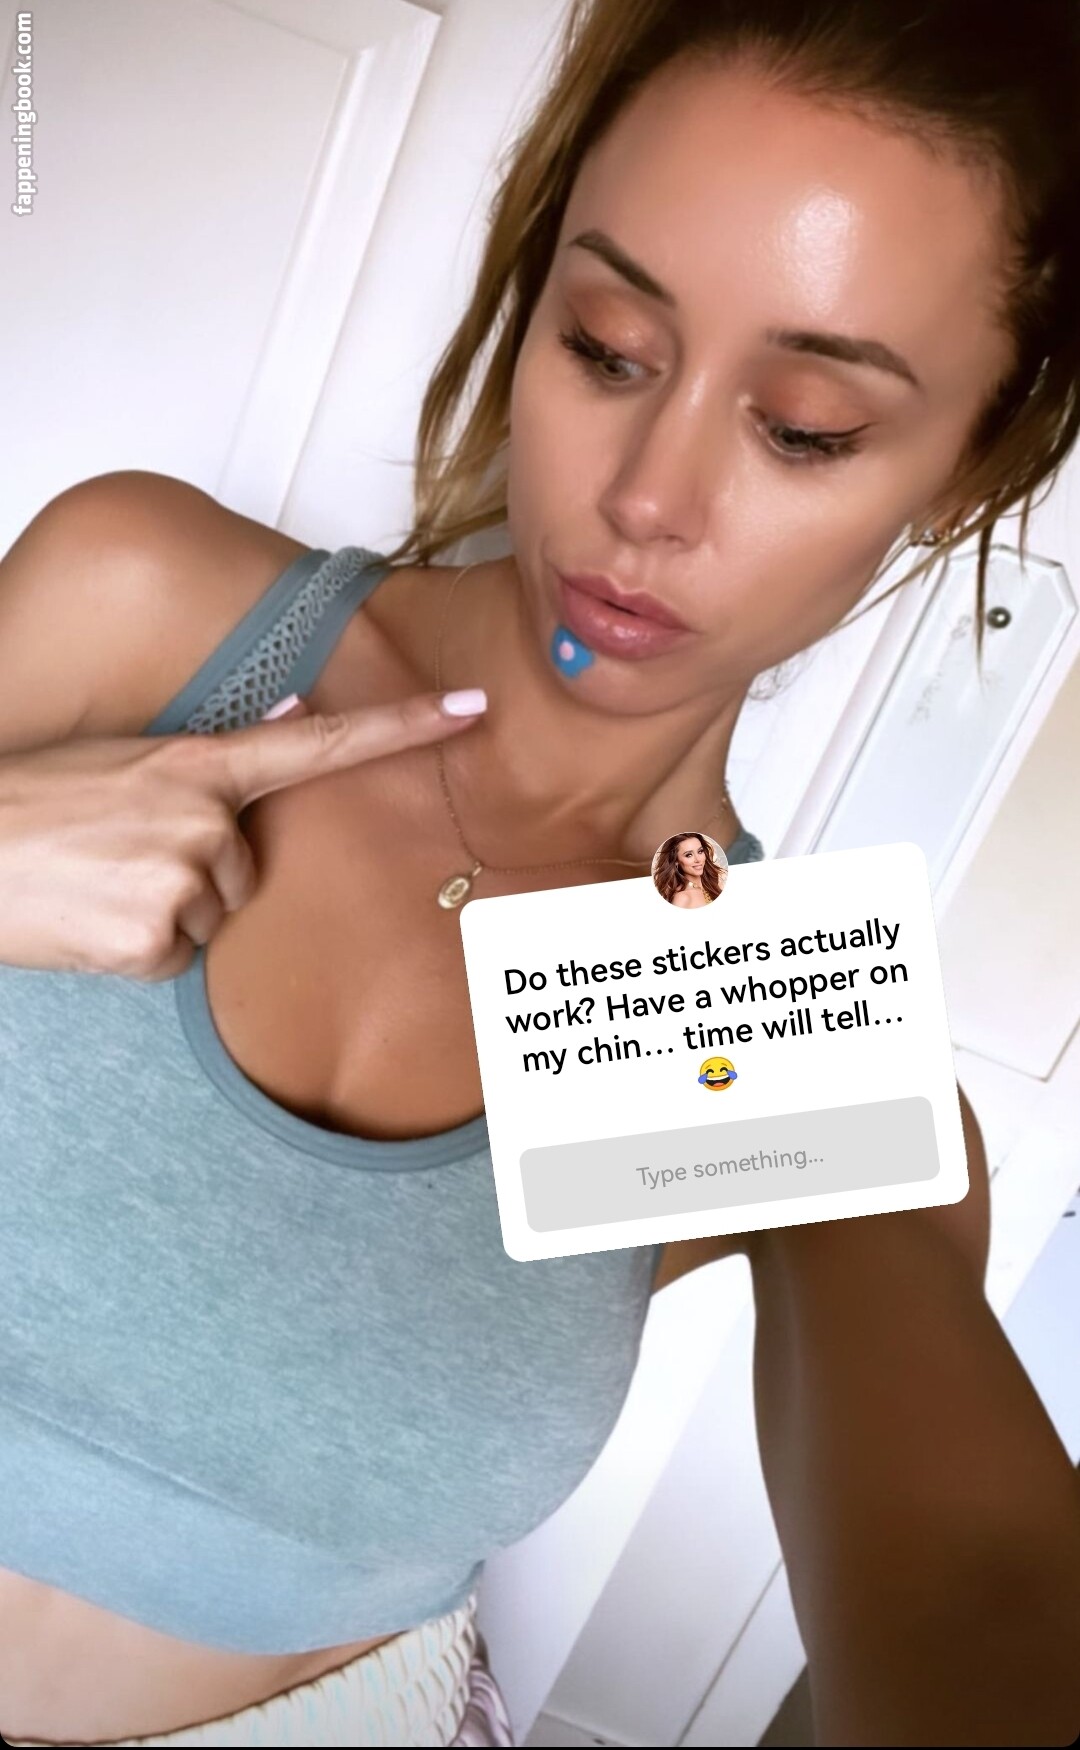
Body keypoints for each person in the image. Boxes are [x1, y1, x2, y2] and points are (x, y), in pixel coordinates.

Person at [2, 1, 1080, 1744]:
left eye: (805, 427)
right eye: (609, 345)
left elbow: (981, 1600)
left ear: (973, 462)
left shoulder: (750, 1020)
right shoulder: (151, 617)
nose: (649, 498)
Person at [654, 831, 726, 906]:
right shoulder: (682, 898)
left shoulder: (714, 883)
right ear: (676, 861)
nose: (698, 859)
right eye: (689, 855)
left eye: (700, 851)